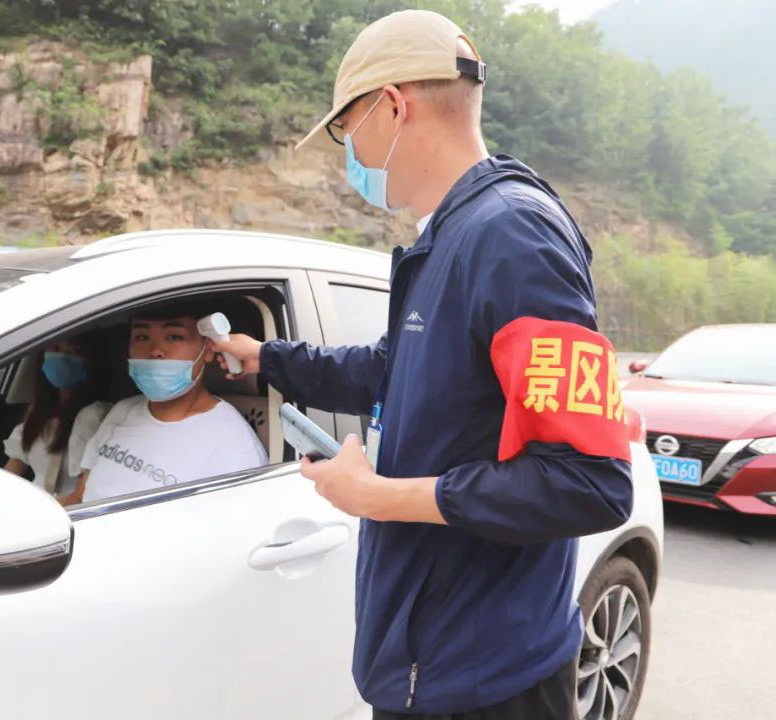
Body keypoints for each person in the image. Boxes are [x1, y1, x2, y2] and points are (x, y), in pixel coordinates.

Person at [211, 10, 633, 720]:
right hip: (435, 660)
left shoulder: (513, 237)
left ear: (392, 106)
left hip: (488, 676)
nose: (351, 154)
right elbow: (393, 369)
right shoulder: (450, 238)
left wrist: (379, 496)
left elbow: (588, 482)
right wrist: (267, 359)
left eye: (346, 130)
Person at [60, 301, 267, 506]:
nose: (155, 351)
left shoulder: (233, 445)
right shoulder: (122, 411)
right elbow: (80, 497)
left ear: (209, 350)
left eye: (173, 337)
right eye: (142, 337)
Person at [4, 335, 111, 499]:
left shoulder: (97, 416)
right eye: (55, 349)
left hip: (71, 508)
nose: (62, 357)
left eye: (75, 351)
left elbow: (82, 493)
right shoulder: (37, 413)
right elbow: (12, 470)